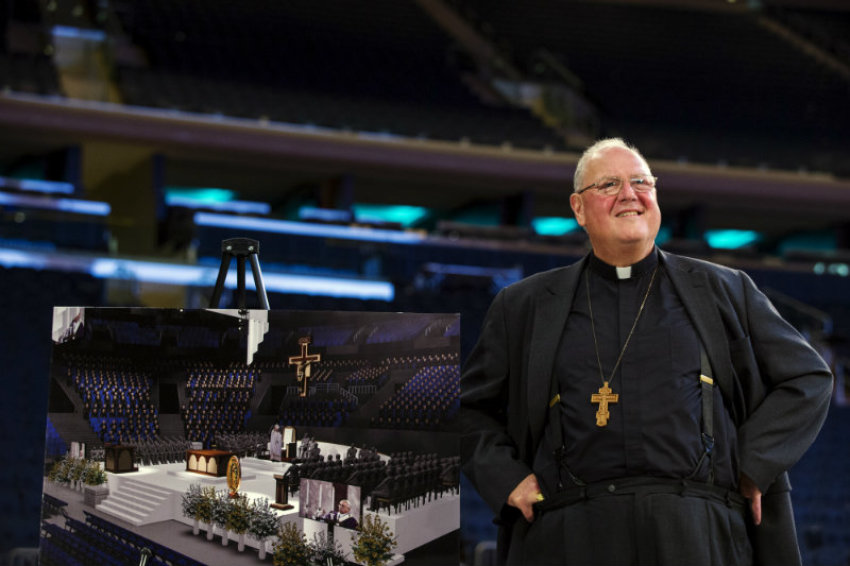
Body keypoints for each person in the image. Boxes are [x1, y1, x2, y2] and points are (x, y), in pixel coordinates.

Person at [460, 138, 833, 566]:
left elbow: (808, 377)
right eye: (609, 185)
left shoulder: (724, 290)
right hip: (570, 534)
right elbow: (471, 410)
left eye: (641, 181)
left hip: (698, 529)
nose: (629, 194)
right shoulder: (523, 305)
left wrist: (752, 464)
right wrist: (507, 479)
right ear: (578, 209)